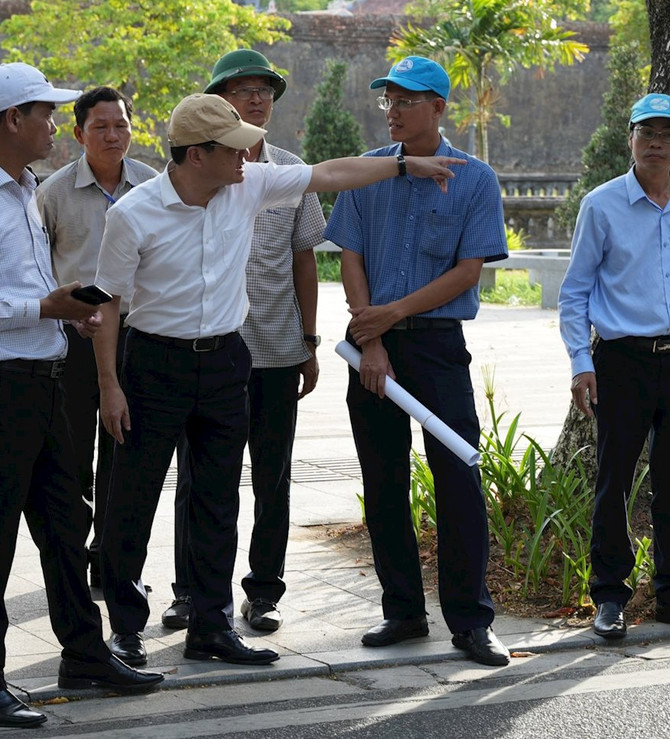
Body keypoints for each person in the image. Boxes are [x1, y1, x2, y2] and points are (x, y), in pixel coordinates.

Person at [91, 94, 463, 669]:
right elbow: (108, 304)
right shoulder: (133, 213)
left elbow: (329, 173)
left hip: (223, 362)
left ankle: (211, 628)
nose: (248, 154)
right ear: (196, 155)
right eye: (234, 147)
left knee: (218, 500)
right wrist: (110, 386)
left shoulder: (247, 183)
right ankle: (124, 629)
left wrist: (403, 164)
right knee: (132, 500)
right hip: (152, 365)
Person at [0, 63, 163, 728]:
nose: (54, 125)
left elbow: (21, 290)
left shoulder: (21, 191)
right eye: (44, 113)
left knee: (66, 526)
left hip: (43, 383)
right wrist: (41, 304)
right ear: (11, 121)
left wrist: (63, 311)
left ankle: (84, 654)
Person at [325, 55, 512, 668]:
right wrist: (371, 338)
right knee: (383, 481)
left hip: (435, 345)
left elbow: (467, 270)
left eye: (408, 100)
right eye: (389, 100)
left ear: (439, 107)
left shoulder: (475, 179)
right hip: (370, 343)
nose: (394, 110)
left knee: (458, 477)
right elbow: (350, 255)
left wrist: (394, 313)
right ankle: (402, 611)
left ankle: (471, 619)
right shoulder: (369, 170)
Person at [162, 50, 325, 635]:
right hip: (207, 348)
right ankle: (191, 591)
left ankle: (264, 589)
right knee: (201, 476)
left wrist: (309, 339)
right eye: (243, 89)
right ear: (217, 100)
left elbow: (303, 259)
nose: (256, 99)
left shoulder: (290, 171)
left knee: (272, 475)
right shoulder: (199, 172)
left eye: (265, 91)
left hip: (277, 346)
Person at [558, 93, 670, 643]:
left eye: (667, 134)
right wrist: (582, 364)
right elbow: (574, 293)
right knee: (614, 481)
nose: (656, 142)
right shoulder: (602, 205)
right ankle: (609, 596)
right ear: (630, 139)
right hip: (621, 362)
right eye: (646, 132)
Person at [35, 85, 157, 588]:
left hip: (139, 337)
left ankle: (112, 562)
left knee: (127, 455)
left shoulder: (153, 186)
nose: (113, 135)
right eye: (101, 126)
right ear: (79, 132)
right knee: (71, 456)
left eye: (121, 125)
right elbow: (36, 268)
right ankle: (71, 560)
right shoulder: (54, 193)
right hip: (74, 342)